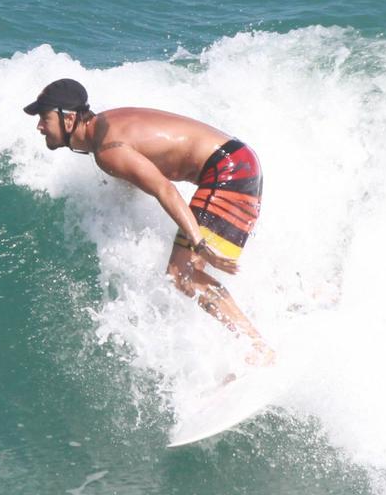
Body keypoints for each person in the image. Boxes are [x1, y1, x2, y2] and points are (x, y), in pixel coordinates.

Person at [24, 78, 275, 366]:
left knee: (182, 274)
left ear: (68, 119)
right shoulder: (107, 127)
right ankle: (291, 295)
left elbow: (164, 188)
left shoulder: (108, 150)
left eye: (44, 118)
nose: (40, 127)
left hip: (227, 170)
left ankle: (258, 347)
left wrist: (199, 241)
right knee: (193, 270)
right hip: (238, 160)